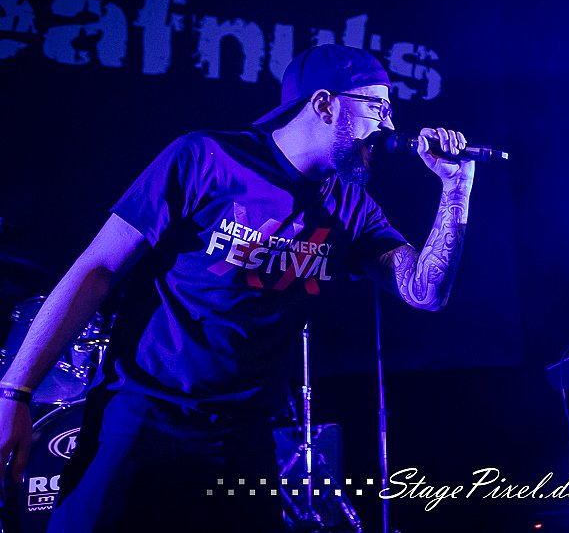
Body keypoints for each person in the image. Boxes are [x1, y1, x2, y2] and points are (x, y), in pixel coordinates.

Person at [0, 44, 476, 532]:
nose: (390, 127)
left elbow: (425, 292)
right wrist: (15, 392)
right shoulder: (207, 158)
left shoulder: (350, 206)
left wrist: (455, 188)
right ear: (324, 104)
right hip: (143, 417)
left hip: (243, 436)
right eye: (377, 108)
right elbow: (97, 268)